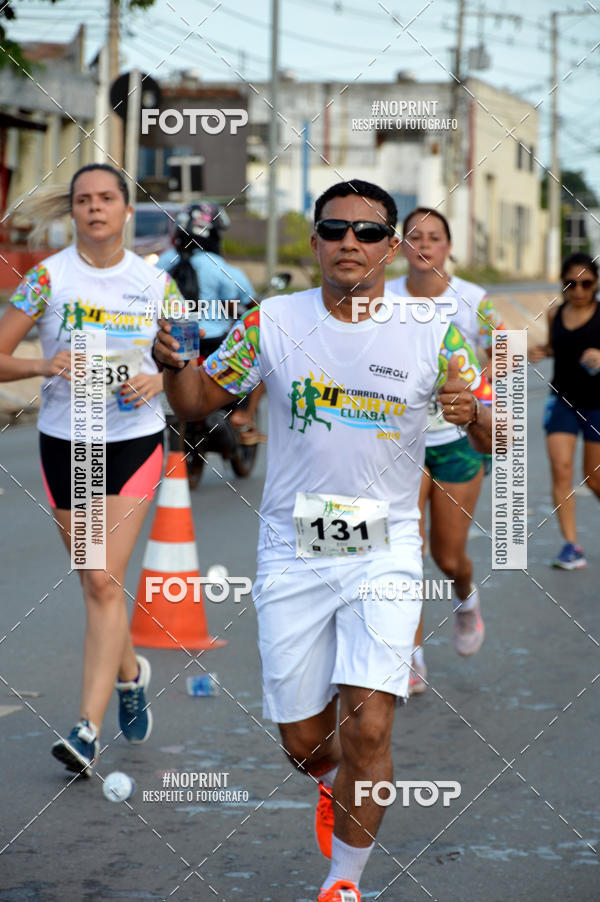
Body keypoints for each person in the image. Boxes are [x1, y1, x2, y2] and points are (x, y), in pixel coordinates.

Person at [154, 179, 492, 902]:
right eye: (334, 230)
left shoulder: (433, 329)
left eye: (368, 233)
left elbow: (500, 434)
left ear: (391, 247)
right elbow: (196, 404)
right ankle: (332, 781)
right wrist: (172, 364)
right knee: (306, 745)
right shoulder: (272, 322)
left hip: (387, 549)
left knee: (371, 725)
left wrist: (471, 415)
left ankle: (344, 882)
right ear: (314, 242)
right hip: (293, 548)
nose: (350, 243)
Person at [0, 163, 182, 776]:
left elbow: (193, 362)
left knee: (104, 580)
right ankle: (130, 672)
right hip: (67, 443)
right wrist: (44, 366)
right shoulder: (47, 279)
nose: (95, 208)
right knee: (93, 580)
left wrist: (159, 376)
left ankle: (85, 729)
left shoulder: (156, 283)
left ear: (127, 210)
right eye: (84, 200)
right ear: (73, 211)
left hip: (133, 440)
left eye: (107, 198)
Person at [387, 207, 502, 693]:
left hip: (456, 440)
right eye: (414, 237)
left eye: (434, 237)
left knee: (446, 558)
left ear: (448, 247)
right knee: (402, 552)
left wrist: (486, 377)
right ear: (399, 247)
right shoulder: (383, 298)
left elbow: (506, 347)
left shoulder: (473, 300)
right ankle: (410, 654)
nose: (424, 245)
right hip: (400, 444)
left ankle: (465, 599)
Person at [156, 202, 265, 443]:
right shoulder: (220, 267)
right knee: (265, 356)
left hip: (169, 345)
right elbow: (251, 307)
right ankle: (244, 417)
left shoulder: (163, 260)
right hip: (213, 344)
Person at [529, 252, 600, 569]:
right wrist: (539, 351)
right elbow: (557, 348)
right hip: (562, 401)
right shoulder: (555, 313)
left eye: (586, 283)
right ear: (563, 284)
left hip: (597, 403)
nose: (579, 291)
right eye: (572, 284)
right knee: (561, 470)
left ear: (596, 283)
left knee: (594, 479)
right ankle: (572, 546)